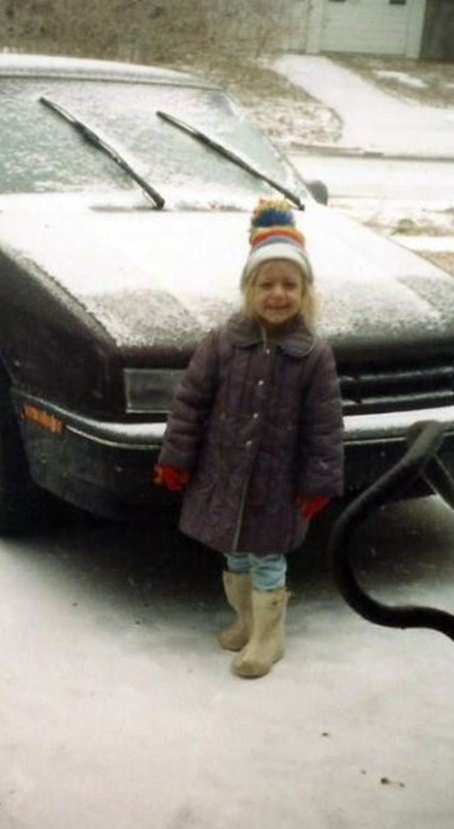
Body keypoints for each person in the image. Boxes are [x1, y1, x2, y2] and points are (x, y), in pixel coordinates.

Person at [153, 199, 345, 679]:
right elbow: (190, 403)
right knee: (233, 549)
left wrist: (318, 481)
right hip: (225, 474)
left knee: (266, 557)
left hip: (276, 483)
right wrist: (177, 457)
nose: (277, 294)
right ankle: (245, 621)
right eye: (267, 284)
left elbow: (325, 425)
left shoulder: (313, 354)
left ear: (304, 292)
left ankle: (269, 637)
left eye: (289, 284)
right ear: (248, 289)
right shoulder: (222, 341)